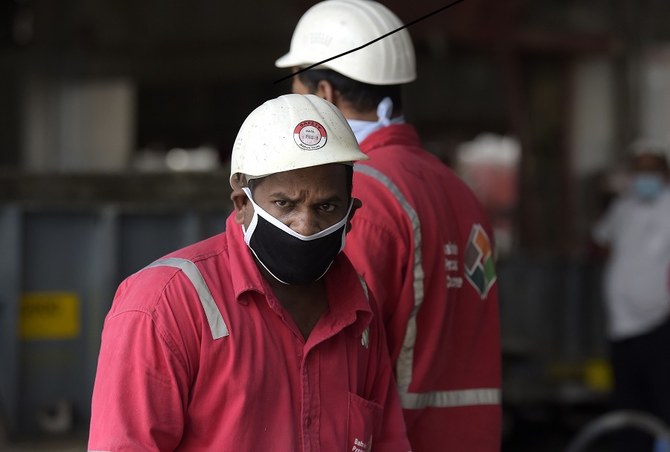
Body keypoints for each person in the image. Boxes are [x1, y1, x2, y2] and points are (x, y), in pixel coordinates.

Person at [87, 94, 412, 451]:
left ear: (351, 215)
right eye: (285, 204)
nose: (305, 225)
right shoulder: (164, 306)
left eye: (326, 206)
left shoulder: (358, 312)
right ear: (242, 205)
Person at [276, 2, 502, 450]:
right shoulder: (459, 191)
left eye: (297, 85)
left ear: (324, 93)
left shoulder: (359, 196)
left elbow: (335, 348)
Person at [592, 141, 670, 452]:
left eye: (651, 170)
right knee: (628, 412)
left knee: (662, 407)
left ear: (664, 173)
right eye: (639, 170)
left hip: (660, 324)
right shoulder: (623, 208)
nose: (644, 177)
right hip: (622, 327)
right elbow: (600, 240)